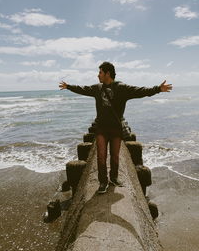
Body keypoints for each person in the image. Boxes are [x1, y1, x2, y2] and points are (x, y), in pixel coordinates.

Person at [59, 62, 172, 194]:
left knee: (115, 156)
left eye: (100, 72)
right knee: (101, 156)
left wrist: (158, 89)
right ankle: (103, 182)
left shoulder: (122, 88)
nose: (98, 75)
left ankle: (113, 178)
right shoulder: (97, 88)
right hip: (101, 128)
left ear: (108, 73)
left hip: (116, 129)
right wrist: (68, 87)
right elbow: (83, 89)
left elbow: (141, 91)